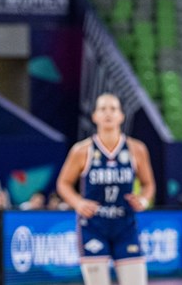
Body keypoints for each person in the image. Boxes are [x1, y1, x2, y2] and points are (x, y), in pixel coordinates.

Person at [56, 93, 156, 285]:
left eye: (113, 109)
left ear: (121, 116)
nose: (108, 113)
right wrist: (78, 202)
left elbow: (149, 184)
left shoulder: (136, 149)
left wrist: (143, 200)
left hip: (125, 225)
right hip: (93, 226)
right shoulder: (82, 150)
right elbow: (63, 183)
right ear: (94, 116)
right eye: (102, 109)